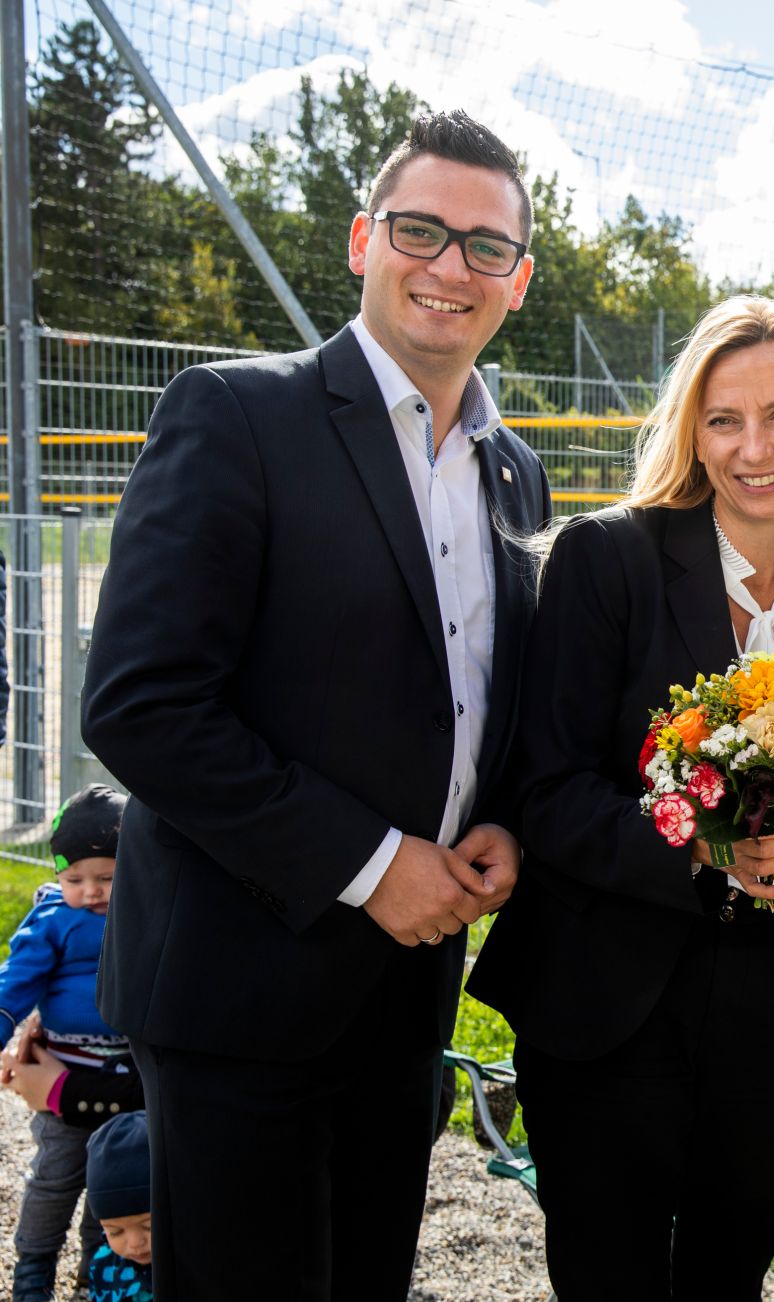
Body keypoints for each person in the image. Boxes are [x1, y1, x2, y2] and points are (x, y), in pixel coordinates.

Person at [79, 109, 551, 1300]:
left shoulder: (511, 465)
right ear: (361, 240)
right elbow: (141, 707)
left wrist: (497, 820)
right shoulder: (237, 414)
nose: (449, 267)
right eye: (420, 230)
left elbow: (469, 688)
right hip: (242, 983)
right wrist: (371, 861)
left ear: (519, 279)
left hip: (405, 983)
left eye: (484, 245)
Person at [468, 294, 774, 1300]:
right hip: (612, 992)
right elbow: (545, 789)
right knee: (609, 1276)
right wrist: (694, 845)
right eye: (723, 418)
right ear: (692, 428)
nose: (753, 447)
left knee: (726, 1277)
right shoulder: (612, 559)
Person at [1, 783, 130, 1301]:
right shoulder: (54, 919)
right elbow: (17, 980)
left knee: (115, 1181)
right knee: (54, 1179)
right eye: (75, 878)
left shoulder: (136, 915)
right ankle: (34, 1267)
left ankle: (101, 1266)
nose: (92, 891)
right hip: (63, 1068)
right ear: (57, 875)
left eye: (106, 876)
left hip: (122, 1075)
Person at [84, 1110, 154, 1302]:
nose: (135, 1243)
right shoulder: (103, 1267)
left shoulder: (198, 1262)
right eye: (115, 1232)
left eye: (149, 1226)